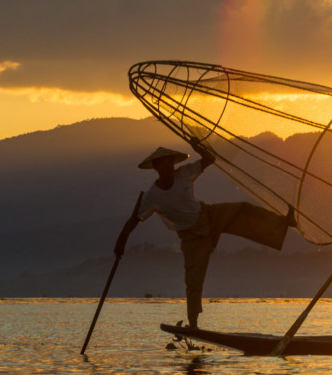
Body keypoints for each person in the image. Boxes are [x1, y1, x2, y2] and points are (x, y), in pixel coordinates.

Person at [124, 139, 297, 329]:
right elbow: (135, 219)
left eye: (169, 163)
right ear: (156, 167)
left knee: (242, 209)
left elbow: (210, 159)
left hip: (209, 215)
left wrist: (197, 147)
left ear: (174, 163)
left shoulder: (184, 173)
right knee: (193, 280)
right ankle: (193, 323)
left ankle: (283, 223)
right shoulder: (152, 196)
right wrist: (120, 243)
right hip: (191, 237)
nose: (167, 167)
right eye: (162, 164)